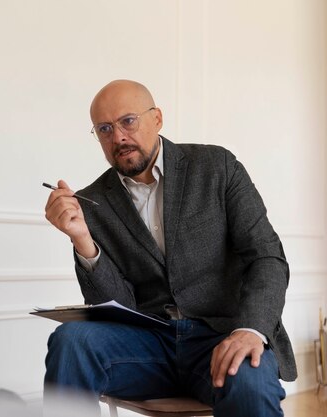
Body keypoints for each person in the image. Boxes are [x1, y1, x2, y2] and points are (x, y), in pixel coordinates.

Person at [43, 79, 297, 417]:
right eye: (104, 129)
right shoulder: (93, 201)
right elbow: (117, 307)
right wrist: (82, 240)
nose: (118, 137)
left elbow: (267, 256)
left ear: (157, 118)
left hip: (221, 338)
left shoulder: (218, 167)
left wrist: (251, 330)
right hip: (147, 348)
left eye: (127, 121)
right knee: (71, 340)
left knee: (249, 379)